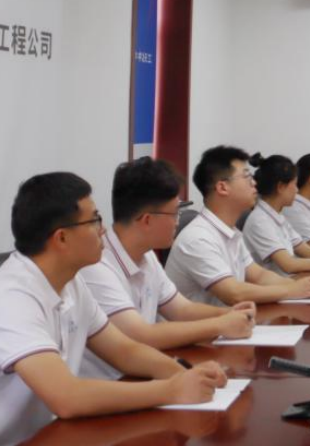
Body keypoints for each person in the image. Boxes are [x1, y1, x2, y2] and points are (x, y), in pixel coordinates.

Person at [0, 173, 226, 446]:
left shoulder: (70, 283)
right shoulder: (10, 298)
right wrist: (171, 391)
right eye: (94, 221)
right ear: (61, 238)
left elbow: (124, 351)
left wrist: (182, 374)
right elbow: (67, 398)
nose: (103, 231)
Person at [78, 157, 258, 379]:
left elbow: (182, 310)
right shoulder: (96, 265)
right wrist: (220, 325)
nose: (178, 221)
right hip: (113, 385)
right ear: (146, 220)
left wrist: (231, 313)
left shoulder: (147, 256)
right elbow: (141, 335)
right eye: (174, 213)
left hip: (145, 374)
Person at [165, 145, 310, 305]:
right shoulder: (198, 238)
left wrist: (305, 286)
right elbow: (234, 293)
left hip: (229, 319)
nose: (254, 183)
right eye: (247, 177)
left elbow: (260, 276)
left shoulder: (232, 232)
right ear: (222, 187)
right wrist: (293, 290)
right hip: (209, 321)